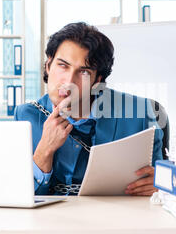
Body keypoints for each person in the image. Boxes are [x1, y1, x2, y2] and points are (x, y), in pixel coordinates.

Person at [14, 22, 164, 196]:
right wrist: (44, 151)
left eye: (83, 72)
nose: (69, 80)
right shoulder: (25, 116)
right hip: (49, 221)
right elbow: (17, 194)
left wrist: (161, 185)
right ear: (48, 65)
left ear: (97, 80)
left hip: (116, 219)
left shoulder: (139, 113)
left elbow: (163, 180)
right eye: (63, 65)